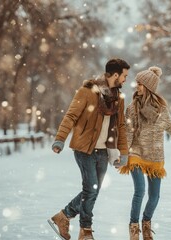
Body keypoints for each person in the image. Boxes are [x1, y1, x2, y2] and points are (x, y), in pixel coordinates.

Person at [48, 58, 130, 240]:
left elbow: (121, 125)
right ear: (115, 75)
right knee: (91, 190)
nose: (125, 80)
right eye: (124, 76)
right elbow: (71, 116)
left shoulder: (118, 98)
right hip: (84, 149)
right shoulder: (87, 92)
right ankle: (85, 230)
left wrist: (123, 152)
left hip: (103, 151)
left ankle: (64, 216)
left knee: (93, 191)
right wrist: (60, 139)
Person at [119, 66, 171, 240]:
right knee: (140, 191)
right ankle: (134, 228)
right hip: (136, 153)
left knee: (155, 196)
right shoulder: (132, 108)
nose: (138, 87)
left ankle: (146, 224)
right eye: (137, 84)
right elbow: (127, 132)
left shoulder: (161, 111)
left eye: (141, 84)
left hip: (155, 157)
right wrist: (123, 153)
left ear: (149, 87)